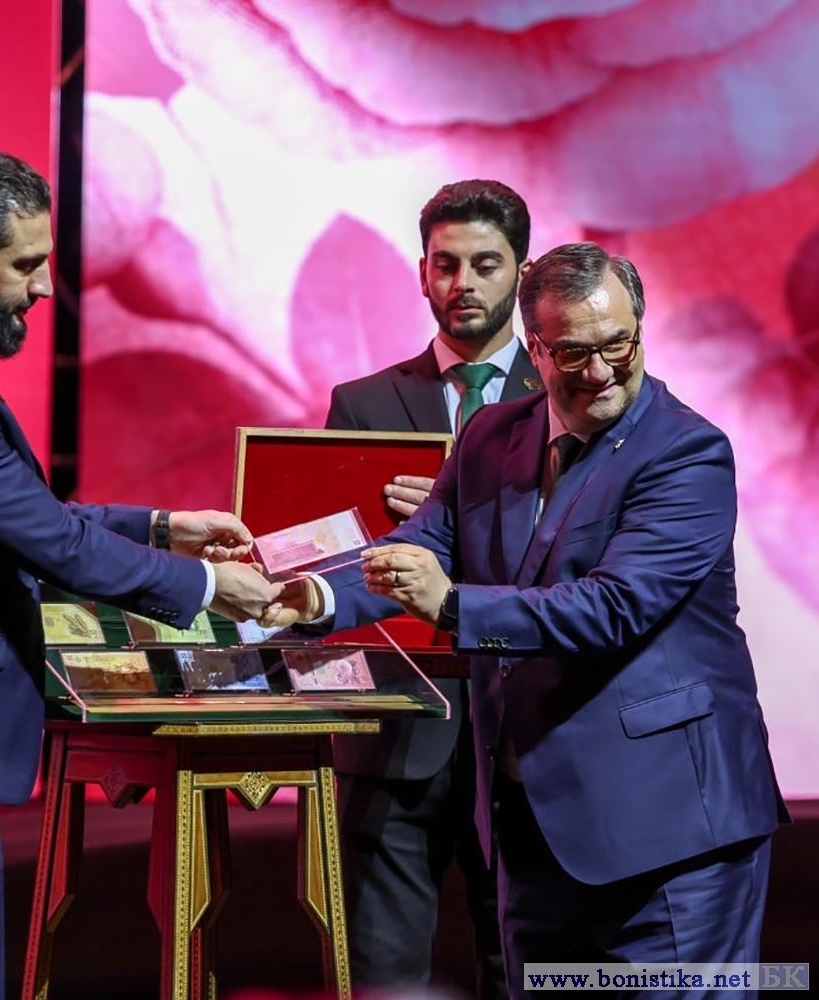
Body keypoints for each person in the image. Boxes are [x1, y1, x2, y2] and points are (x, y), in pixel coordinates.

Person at [266, 243, 787, 997]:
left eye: (618, 345)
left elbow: (613, 607)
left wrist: (452, 604)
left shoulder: (687, 453)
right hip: (533, 830)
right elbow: (422, 547)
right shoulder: (489, 437)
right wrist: (312, 597)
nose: (601, 371)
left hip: (673, 836)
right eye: (574, 352)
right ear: (534, 348)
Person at [0, 150, 280, 999]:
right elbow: (47, 541)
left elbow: (12, 513)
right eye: (25, 265)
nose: (41, 288)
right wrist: (211, 590)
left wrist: (163, 527)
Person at [325, 180, 539, 995]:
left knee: (521, 969)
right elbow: (334, 563)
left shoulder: (566, 399)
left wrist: (461, 511)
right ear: (421, 273)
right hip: (394, 727)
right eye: (445, 264)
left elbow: (583, 563)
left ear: (521, 273)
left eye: (486, 264)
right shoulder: (362, 403)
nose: (463, 283)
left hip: (526, 732)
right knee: (382, 978)